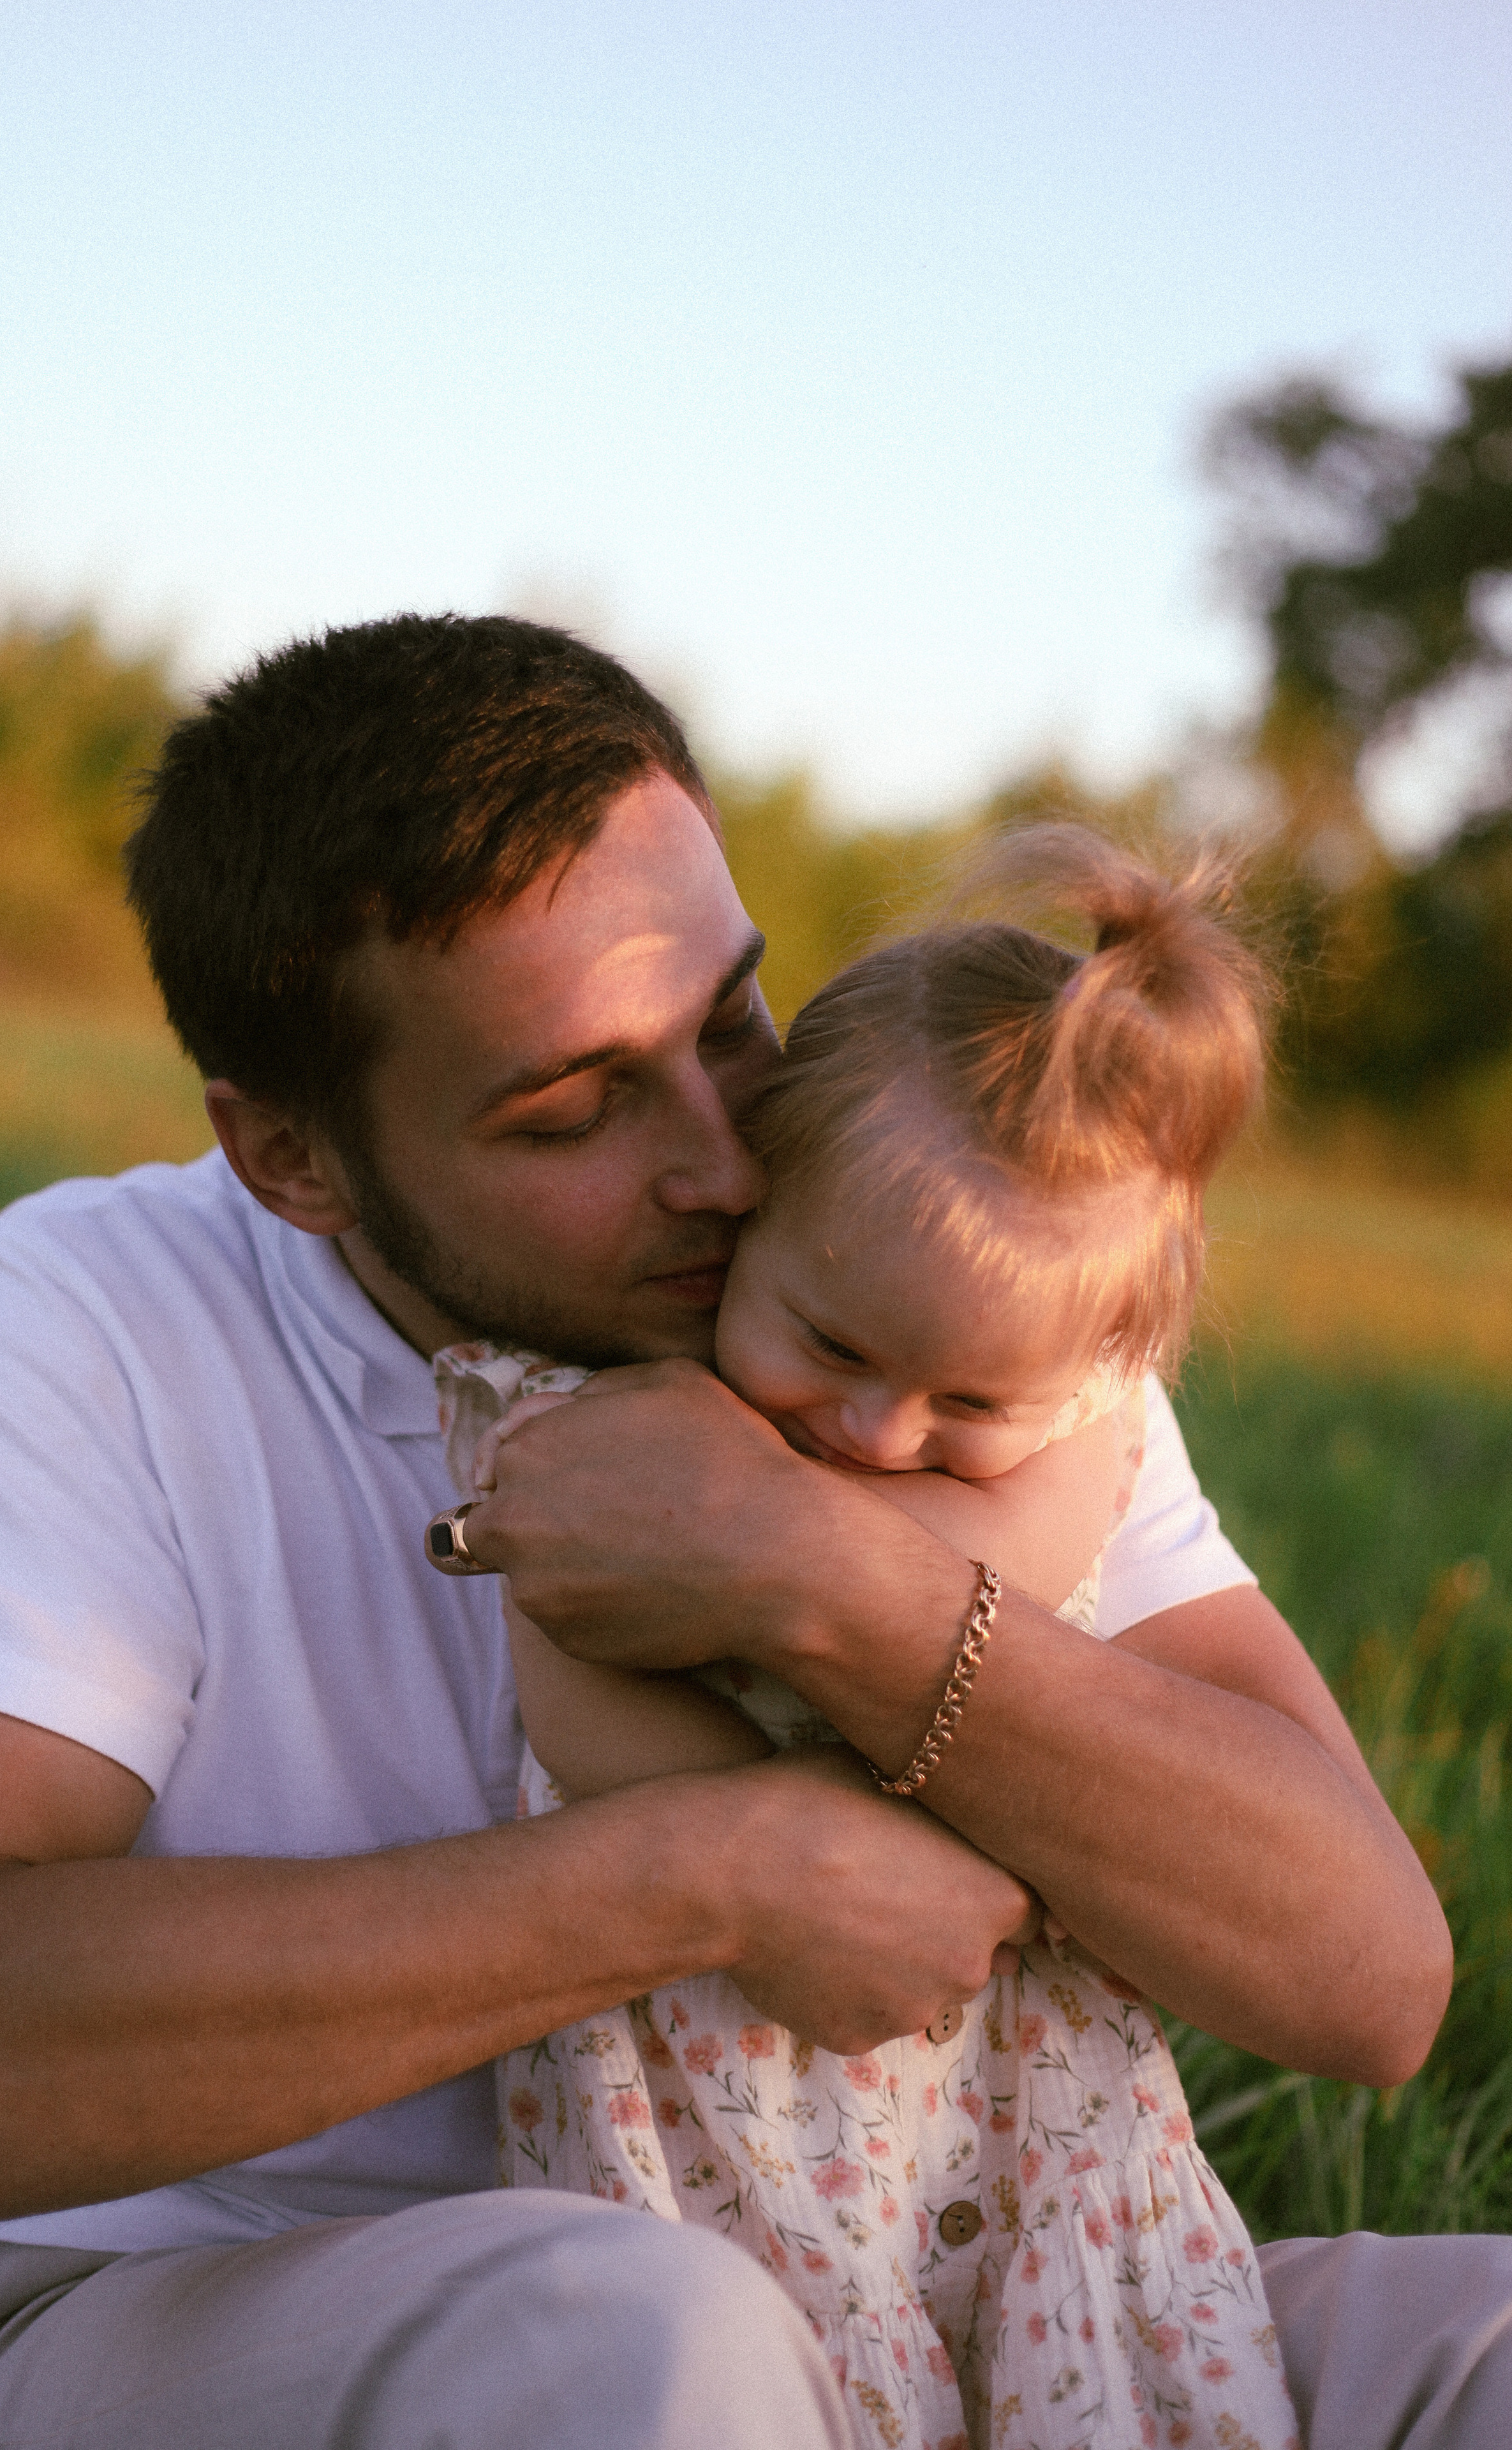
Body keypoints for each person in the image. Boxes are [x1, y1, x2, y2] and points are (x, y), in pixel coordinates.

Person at [0, 614, 1500, 2450]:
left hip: (948, 2281)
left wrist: (832, 1579)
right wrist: (715, 1875)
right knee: (645, 2343)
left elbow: (1367, 1979)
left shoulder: (909, 1307)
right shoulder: (93, 1319)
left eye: (730, 1016)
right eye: (577, 1105)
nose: (728, 1162)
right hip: (216, 2308)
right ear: (296, 1161)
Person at [448, 829, 1298, 2450]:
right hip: (718, 2141)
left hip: (1032, 2154)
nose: (876, 1427)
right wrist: (864, 1834)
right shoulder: (606, 1438)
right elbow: (591, 1730)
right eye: (828, 1341)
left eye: (964, 1401)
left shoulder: (1080, 1436)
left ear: (1078, 1368)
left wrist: (804, 1571)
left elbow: (1016, 1555)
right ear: (748, 1211)